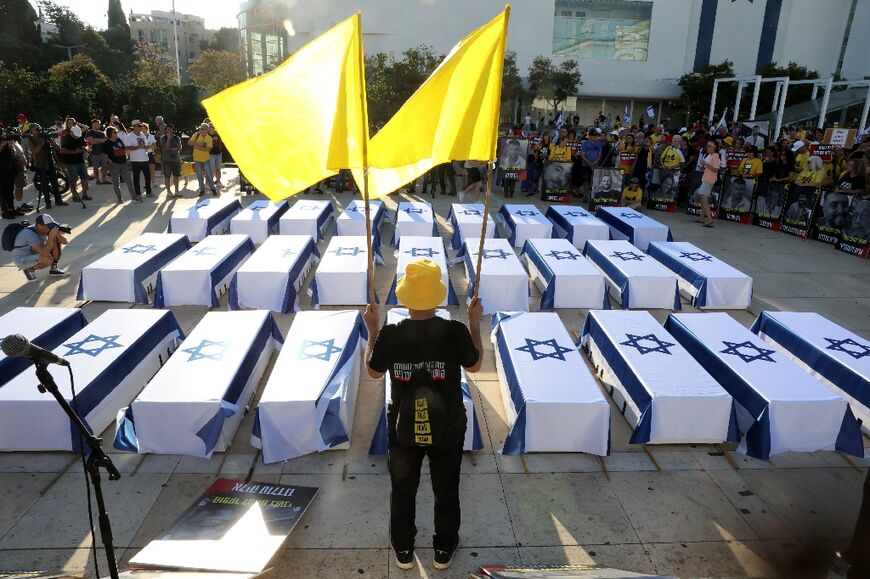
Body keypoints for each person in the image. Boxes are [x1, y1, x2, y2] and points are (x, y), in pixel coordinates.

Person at [363, 259, 483, 571]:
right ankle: (443, 550)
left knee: (403, 489)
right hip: (449, 427)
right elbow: (475, 365)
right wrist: (474, 323)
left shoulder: (390, 335)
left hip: (404, 428)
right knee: (446, 489)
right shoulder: (455, 332)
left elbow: (373, 373)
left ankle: (403, 549)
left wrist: (372, 330)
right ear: (437, 296)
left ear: (406, 297)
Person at [10, 213, 70, 282]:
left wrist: (58, 235)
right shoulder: (29, 234)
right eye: (48, 226)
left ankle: (54, 269)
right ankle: (29, 270)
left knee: (56, 240)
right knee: (48, 260)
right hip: (21, 259)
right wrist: (50, 237)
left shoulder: (42, 230)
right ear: (39, 226)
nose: (50, 228)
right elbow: (44, 254)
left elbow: (65, 242)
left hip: (33, 252)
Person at [29, 124, 66, 208]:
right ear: (31, 131)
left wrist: (51, 140)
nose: (38, 131)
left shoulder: (45, 136)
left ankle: (58, 200)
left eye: (38, 129)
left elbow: (57, 148)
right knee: (44, 184)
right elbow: (34, 152)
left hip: (50, 162)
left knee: (55, 182)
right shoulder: (30, 139)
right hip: (40, 164)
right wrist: (42, 143)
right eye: (36, 129)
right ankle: (47, 202)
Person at [103, 126, 139, 203]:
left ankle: (134, 196)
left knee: (128, 181)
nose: (117, 133)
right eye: (115, 132)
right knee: (116, 182)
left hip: (123, 163)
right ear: (110, 133)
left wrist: (127, 158)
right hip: (114, 164)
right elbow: (103, 155)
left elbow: (124, 149)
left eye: (116, 132)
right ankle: (119, 198)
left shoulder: (119, 140)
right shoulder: (106, 143)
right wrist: (110, 161)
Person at [59, 121, 92, 202]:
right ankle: (74, 195)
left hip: (81, 160)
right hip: (71, 161)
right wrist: (73, 152)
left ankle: (85, 194)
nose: (72, 125)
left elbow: (85, 145)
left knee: (84, 178)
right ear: (67, 125)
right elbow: (62, 149)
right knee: (73, 179)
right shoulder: (65, 136)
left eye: (73, 123)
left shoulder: (79, 135)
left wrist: (85, 149)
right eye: (70, 123)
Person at [693, 141, 719, 227]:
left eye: (710, 146)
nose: (707, 147)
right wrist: (703, 166)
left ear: (714, 148)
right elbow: (707, 167)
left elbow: (715, 169)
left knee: (704, 198)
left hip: (709, 179)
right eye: (707, 146)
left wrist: (705, 164)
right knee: (703, 197)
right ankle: (702, 218)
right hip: (706, 178)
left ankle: (709, 219)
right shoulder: (710, 155)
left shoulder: (715, 156)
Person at [123, 121, 152, 198]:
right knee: (136, 178)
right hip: (135, 160)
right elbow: (127, 148)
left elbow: (144, 145)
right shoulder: (129, 136)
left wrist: (147, 146)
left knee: (148, 177)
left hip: (145, 159)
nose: (140, 127)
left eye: (141, 126)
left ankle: (149, 192)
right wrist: (138, 147)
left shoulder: (142, 134)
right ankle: (138, 194)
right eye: (138, 126)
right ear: (134, 127)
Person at [189, 122, 217, 196]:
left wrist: (198, 146)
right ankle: (202, 190)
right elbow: (189, 142)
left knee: (209, 175)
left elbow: (208, 149)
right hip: (197, 158)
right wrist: (199, 144)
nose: (202, 130)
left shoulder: (209, 138)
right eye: (201, 129)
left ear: (207, 130)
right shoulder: (196, 135)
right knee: (199, 175)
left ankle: (213, 189)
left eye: (204, 129)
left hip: (205, 159)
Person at [0, 130, 19, 219]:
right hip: (2, 171)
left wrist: (11, 146)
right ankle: (5, 212)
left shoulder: (4, 136)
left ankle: (11, 209)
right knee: (3, 192)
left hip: (10, 169)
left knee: (10, 190)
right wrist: (2, 145)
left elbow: (13, 153)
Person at [160, 123, 183, 198]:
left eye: (171, 128)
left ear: (173, 130)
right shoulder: (163, 138)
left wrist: (170, 149)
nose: (169, 130)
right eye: (168, 128)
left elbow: (179, 148)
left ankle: (176, 191)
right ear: (166, 130)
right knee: (167, 176)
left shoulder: (177, 138)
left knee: (176, 176)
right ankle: (168, 191)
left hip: (176, 160)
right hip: (167, 160)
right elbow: (165, 148)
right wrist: (169, 139)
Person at [84, 119, 108, 184]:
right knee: (95, 167)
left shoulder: (102, 133)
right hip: (94, 153)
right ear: (93, 124)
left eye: (99, 124)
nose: (99, 125)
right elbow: (91, 141)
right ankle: (97, 180)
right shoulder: (89, 132)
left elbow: (105, 141)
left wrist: (96, 139)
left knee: (105, 167)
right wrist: (100, 140)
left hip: (103, 153)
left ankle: (104, 180)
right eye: (97, 124)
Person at [142, 122, 158, 188]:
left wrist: (152, 147)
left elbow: (155, 145)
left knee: (152, 169)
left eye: (144, 128)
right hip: (143, 154)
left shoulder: (151, 136)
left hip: (150, 154)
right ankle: (146, 183)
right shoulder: (140, 136)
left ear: (147, 129)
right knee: (146, 170)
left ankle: (153, 182)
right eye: (141, 128)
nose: (142, 130)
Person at [208, 123, 224, 189]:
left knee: (218, 169)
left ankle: (218, 182)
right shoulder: (207, 135)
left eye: (214, 127)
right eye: (212, 127)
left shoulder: (218, 134)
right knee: (211, 170)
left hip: (218, 153)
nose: (213, 128)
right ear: (209, 128)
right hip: (210, 154)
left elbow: (220, 142)